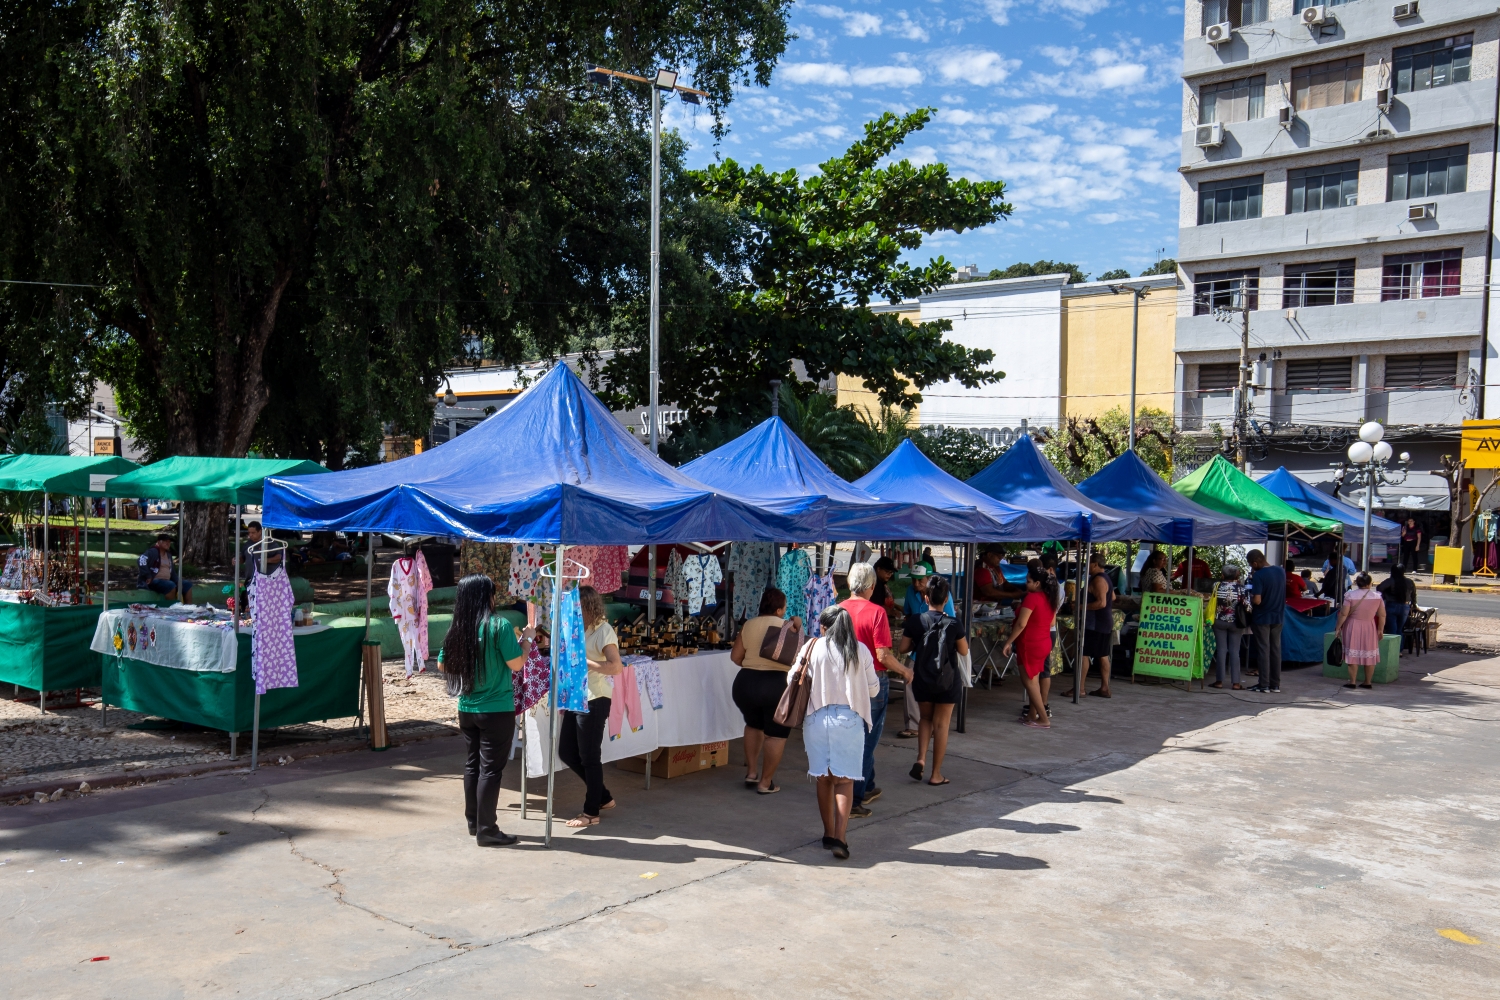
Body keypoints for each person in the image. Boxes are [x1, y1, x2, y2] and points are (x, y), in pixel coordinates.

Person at [437, 574, 534, 847]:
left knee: (473, 765)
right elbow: (517, 664)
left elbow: (442, 665)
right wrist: (526, 641)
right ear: (486, 596)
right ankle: (487, 829)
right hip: (496, 709)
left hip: (467, 708)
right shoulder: (500, 625)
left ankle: (474, 822)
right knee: (491, 770)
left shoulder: (458, 627)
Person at [792, 605, 880, 860]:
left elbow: (792, 680)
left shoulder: (812, 647)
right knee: (844, 780)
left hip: (816, 719)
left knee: (824, 779)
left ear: (823, 627)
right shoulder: (860, 650)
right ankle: (840, 838)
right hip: (848, 720)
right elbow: (874, 689)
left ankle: (828, 833)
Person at [839, 562, 912, 818]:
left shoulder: (838, 610)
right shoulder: (877, 612)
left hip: (844, 679)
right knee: (866, 740)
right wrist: (904, 671)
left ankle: (866, 785)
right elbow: (883, 654)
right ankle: (855, 799)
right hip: (872, 681)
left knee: (854, 736)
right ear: (871, 586)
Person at [557, 585, 624, 828]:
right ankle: (602, 797)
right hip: (576, 697)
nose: (573, 612)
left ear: (588, 608)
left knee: (589, 757)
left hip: (595, 697)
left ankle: (591, 812)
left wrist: (586, 663)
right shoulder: (576, 630)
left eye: (577, 608)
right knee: (567, 752)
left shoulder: (603, 630)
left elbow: (616, 667)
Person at [899, 576, 969, 783]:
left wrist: (919, 643)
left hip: (922, 677)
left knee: (925, 719)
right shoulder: (954, 623)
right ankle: (936, 774)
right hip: (947, 679)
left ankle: (920, 759)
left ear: (926, 598)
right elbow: (964, 651)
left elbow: (903, 648)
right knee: (941, 725)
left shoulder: (915, 621)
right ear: (946, 599)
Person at [730, 587, 795, 794]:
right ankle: (765, 783)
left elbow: (735, 657)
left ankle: (751, 772)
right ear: (779, 610)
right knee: (775, 735)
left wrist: (753, 665)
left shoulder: (749, 624)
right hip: (776, 684)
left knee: (753, 725)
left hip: (746, 683)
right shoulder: (787, 627)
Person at [897, 566, 954, 739]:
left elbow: (950, 620)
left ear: (929, 579)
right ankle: (914, 725)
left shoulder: (942, 593)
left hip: (938, 650)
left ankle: (935, 724)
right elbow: (908, 614)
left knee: (936, 686)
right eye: (913, 579)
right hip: (918, 650)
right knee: (909, 680)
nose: (916, 583)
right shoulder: (910, 591)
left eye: (920, 580)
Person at [1001, 565, 1058, 728]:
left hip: (1030, 644)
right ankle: (1032, 714)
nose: (1026, 584)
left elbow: (1021, 624)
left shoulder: (1032, 598)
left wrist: (1008, 641)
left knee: (1030, 682)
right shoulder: (1049, 597)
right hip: (1043, 642)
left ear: (1037, 583)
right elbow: (1051, 622)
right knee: (1034, 680)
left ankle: (1043, 718)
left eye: (1028, 581)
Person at [1066, 551, 1115, 698]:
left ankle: (1080, 688)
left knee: (1083, 654)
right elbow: (1113, 596)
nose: (1086, 567)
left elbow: (1102, 603)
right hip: (1103, 622)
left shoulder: (1098, 580)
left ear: (1094, 564)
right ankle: (1104, 688)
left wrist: (1080, 607)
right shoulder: (1106, 577)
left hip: (1095, 623)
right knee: (1103, 654)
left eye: (1088, 564)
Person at [1337, 572, 1386, 689]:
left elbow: (1344, 614)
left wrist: (1338, 627)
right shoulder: (1377, 597)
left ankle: (1352, 682)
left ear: (1357, 583)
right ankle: (1367, 682)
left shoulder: (1350, 595)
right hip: (1370, 626)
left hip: (1352, 625)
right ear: (1370, 584)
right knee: (1369, 655)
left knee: (1352, 653)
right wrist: (1380, 630)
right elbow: (1382, 615)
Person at [1246, 550, 1285, 693]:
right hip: (1278, 616)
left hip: (1262, 617)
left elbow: (1257, 600)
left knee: (1263, 650)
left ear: (1255, 563)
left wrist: (1249, 599)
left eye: (1251, 565)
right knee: (1275, 649)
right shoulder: (1280, 571)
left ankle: (1264, 684)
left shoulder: (1259, 575)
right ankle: (1275, 684)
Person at [1211, 565, 1249, 690]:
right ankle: (1236, 683)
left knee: (1221, 650)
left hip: (1219, 621)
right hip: (1236, 623)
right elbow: (1247, 606)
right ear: (1237, 575)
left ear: (1222, 575)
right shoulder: (1241, 588)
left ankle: (1219, 681)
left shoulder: (1216, 586)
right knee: (1235, 651)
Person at [138, 533, 193, 602]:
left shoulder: (168, 555)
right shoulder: (152, 552)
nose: (168, 544)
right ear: (158, 542)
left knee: (187, 585)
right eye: (165, 541)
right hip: (153, 581)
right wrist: (148, 575)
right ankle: (170, 607)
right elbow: (141, 560)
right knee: (170, 585)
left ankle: (188, 607)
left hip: (167, 581)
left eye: (169, 542)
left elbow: (172, 572)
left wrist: (178, 581)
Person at [1378, 564, 1416, 649]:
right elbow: (1413, 595)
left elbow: (1379, 588)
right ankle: (1399, 650)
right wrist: (1413, 604)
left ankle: (1392, 650)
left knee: (1392, 630)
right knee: (1400, 629)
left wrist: (1386, 595)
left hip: (1391, 605)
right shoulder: (1409, 582)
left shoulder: (1390, 580)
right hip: (1405, 606)